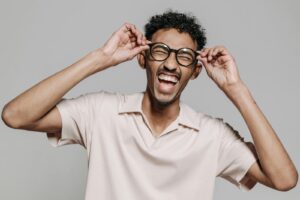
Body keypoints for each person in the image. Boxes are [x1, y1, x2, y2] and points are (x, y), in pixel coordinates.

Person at [1, 10, 298, 200]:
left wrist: (237, 91)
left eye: (183, 56)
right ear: (142, 58)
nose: (170, 64)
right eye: (161, 52)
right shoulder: (101, 113)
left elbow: (284, 180)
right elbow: (15, 115)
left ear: (195, 71)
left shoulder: (212, 136)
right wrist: (99, 59)